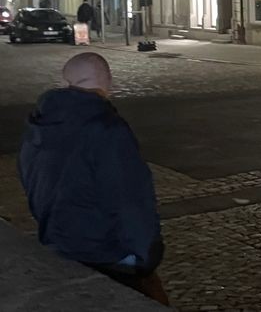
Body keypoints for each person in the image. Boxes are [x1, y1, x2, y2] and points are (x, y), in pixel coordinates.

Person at [18, 53, 169, 305]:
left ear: (68, 81)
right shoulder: (108, 130)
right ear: (107, 82)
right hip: (106, 251)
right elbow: (130, 200)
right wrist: (147, 255)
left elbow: (30, 180)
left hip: (58, 243)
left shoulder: (39, 125)